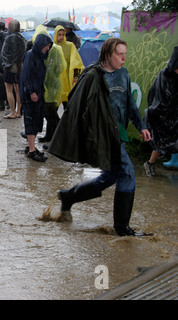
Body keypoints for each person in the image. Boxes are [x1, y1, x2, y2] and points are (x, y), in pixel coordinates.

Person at [49, 38, 152, 237]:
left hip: (119, 133)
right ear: (107, 55)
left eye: (125, 54)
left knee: (110, 176)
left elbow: (129, 102)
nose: (123, 58)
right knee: (128, 173)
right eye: (119, 54)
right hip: (105, 137)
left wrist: (141, 126)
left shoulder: (123, 74)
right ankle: (122, 229)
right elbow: (75, 103)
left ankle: (68, 196)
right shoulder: (93, 76)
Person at [143, 46, 178, 175]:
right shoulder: (164, 75)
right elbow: (158, 97)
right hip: (162, 115)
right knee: (161, 141)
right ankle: (150, 163)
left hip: (174, 115)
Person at [19, 31, 53, 162]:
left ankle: (30, 146)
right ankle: (32, 150)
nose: (47, 48)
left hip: (37, 94)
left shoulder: (38, 56)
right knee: (31, 121)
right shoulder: (31, 56)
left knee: (36, 120)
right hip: (30, 96)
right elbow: (26, 76)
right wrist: (32, 92)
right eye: (46, 46)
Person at [0, 20, 27, 119]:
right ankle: (19, 111)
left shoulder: (8, 38)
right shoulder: (23, 39)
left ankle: (12, 112)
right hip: (20, 66)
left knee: (9, 90)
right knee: (18, 90)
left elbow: (4, 53)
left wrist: (5, 65)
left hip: (10, 67)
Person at [53, 25, 84, 110]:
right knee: (53, 107)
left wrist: (76, 76)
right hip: (56, 81)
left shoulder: (70, 46)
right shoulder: (52, 47)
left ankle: (68, 122)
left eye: (63, 34)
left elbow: (76, 62)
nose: (61, 37)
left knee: (68, 106)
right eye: (59, 34)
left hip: (67, 80)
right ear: (55, 35)